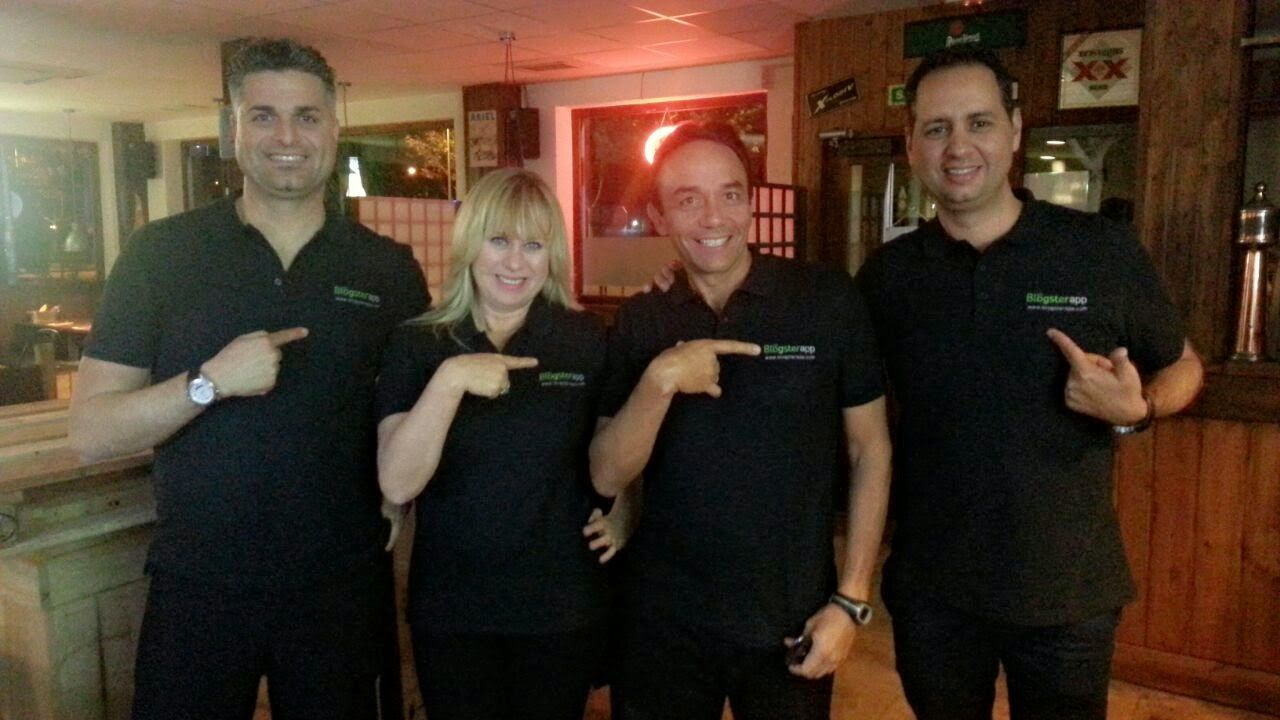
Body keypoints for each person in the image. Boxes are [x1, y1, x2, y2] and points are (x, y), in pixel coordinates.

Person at [68, 38, 428, 720]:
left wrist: (398, 502)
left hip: (341, 586)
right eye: (263, 115)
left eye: (307, 116)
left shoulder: (387, 269)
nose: (287, 137)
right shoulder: (161, 255)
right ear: (231, 127)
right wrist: (208, 381)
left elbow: (411, 413)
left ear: (334, 126)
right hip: (199, 583)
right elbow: (90, 432)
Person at [854, 47, 1204, 720]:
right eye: (937, 127)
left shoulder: (1099, 251)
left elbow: (1184, 364)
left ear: (1015, 131)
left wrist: (1139, 407)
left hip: (1067, 595)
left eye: (979, 122)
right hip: (934, 592)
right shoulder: (888, 277)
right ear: (912, 143)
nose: (958, 146)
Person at [590, 121, 893, 720]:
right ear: (658, 217)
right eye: (688, 200)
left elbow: (871, 451)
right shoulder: (642, 319)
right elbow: (605, 473)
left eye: (729, 194)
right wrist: (659, 380)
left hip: (789, 616)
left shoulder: (825, 300)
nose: (713, 217)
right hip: (662, 620)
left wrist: (851, 600)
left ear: (752, 203)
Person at [376, 168, 624, 720]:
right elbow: (398, 481)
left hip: (560, 605)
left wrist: (627, 510)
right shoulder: (418, 343)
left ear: (552, 256)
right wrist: (448, 382)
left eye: (533, 245)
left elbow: (616, 449)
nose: (515, 262)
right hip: (454, 608)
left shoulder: (585, 338)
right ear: (470, 244)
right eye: (499, 241)